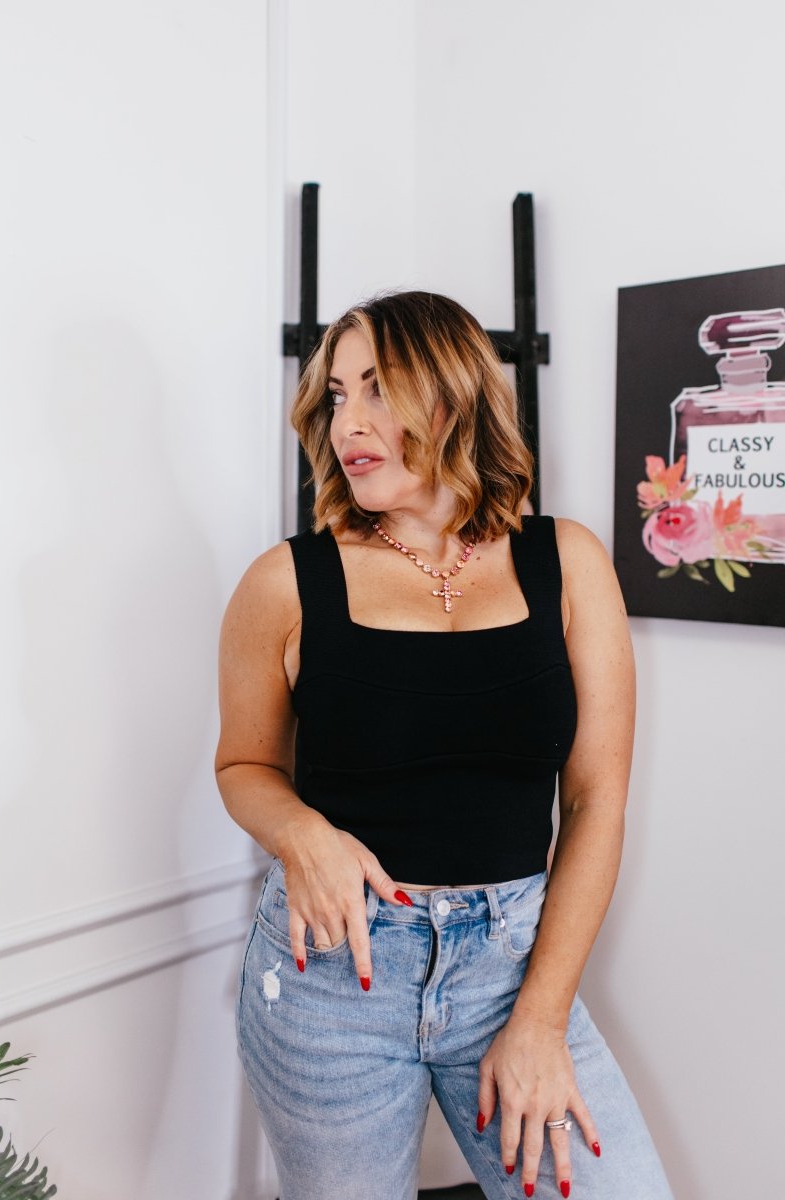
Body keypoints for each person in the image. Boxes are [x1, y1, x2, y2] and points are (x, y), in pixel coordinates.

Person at [216, 291, 672, 1200]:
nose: (349, 422)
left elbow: (596, 802)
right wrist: (303, 833)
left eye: (379, 389)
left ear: (454, 395)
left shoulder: (568, 563)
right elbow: (245, 766)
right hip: (331, 975)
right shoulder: (286, 582)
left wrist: (540, 1019)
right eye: (337, 394)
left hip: (512, 965)